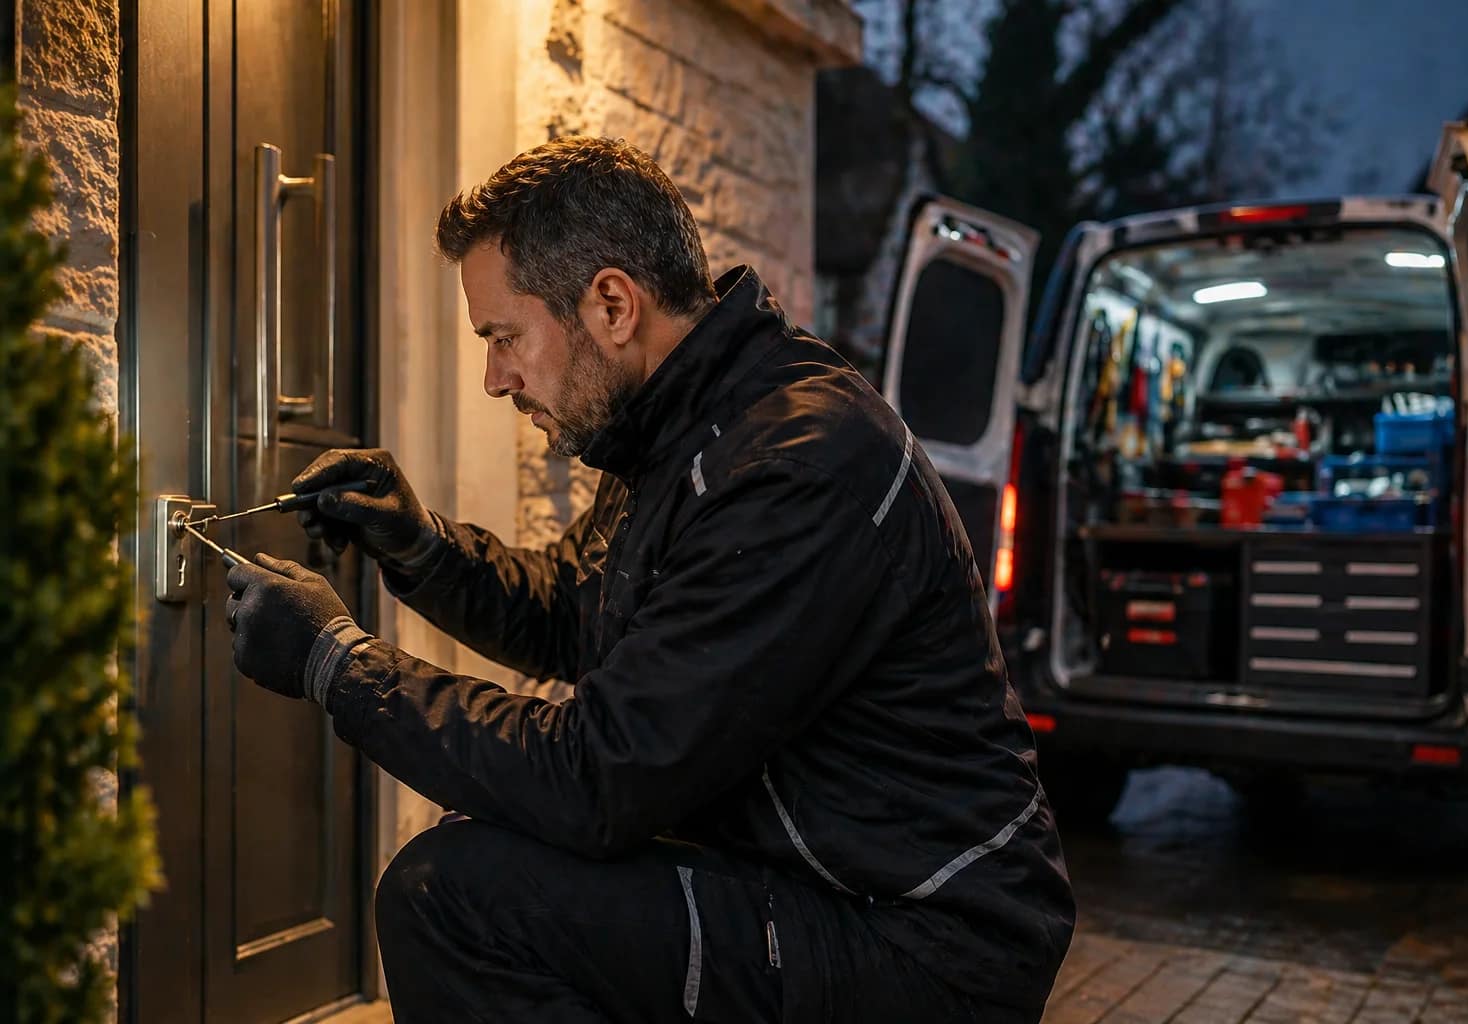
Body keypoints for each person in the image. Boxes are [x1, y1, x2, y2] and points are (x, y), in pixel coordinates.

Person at [223, 136, 1074, 1023]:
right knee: (486, 856)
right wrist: (417, 544)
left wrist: (336, 663)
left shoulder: (797, 465)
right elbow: (574, 612)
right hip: (822, 882)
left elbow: (599, 776)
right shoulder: (685, 427)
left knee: (455, 895)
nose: (493, 378)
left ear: (613, 305)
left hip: (922, 940)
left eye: (504, 337)